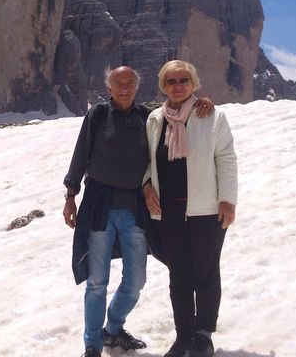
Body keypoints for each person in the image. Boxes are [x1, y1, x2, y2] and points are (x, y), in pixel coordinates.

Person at [64, 66, 213, 357]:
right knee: (97, 282)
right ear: (109, 88)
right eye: (118, 83)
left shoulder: (148, 118)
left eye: (129, 83)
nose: (124, 87)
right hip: (99, 209)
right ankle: (93, 345)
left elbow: (177, 115)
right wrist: (70, 195)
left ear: (137, 87)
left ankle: (112, 329)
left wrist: (202, 102)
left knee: (135, 281)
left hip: (134, 210)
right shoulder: (97, 115)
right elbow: (80, 154)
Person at [142, 60, 238, 357]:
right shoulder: (155, 120)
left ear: (194, 84)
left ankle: (203, 335)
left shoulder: (211, 115)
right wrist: (146, 186)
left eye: (184, 80)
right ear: (163, 86)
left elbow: (225, 158)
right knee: (179, 276)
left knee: (206, 273)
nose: (178, 85)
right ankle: (183, 336)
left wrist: (228, 199)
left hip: (206, 211)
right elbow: (146, 161)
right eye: (172, 81)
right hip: (167, 213)